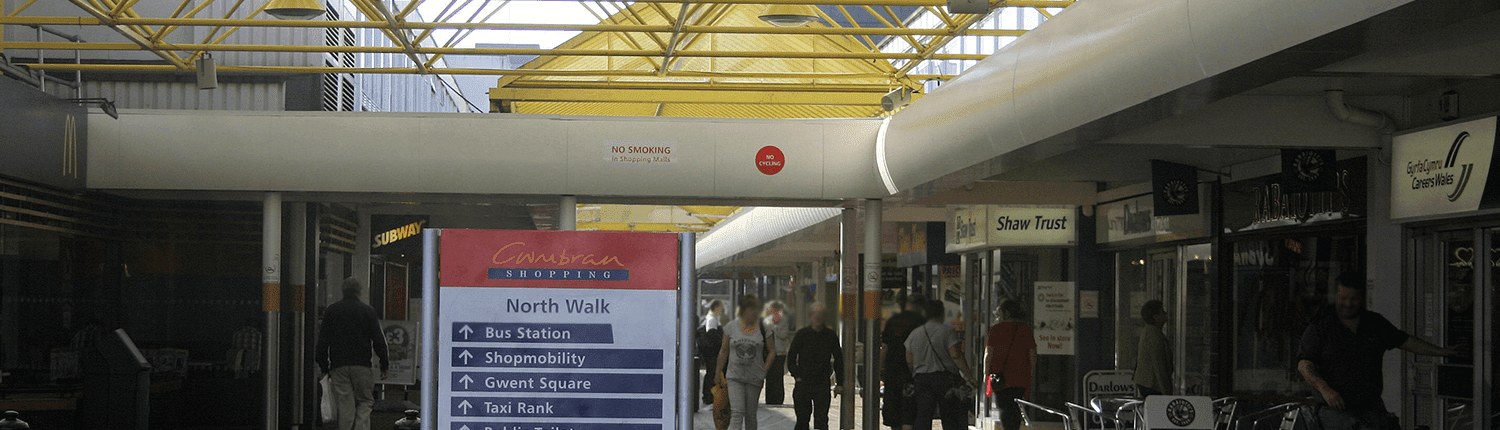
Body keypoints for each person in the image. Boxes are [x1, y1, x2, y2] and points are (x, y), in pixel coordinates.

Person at [1297, 272, 1461, 430]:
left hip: (1371, 410)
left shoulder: (1374, 323)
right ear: (1335, 296)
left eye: (1353, 299)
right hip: (1335, 413)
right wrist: (1325, 390)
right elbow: (1304, 365)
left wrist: (1441, 352)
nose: (1348, 304)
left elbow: (1405, 341)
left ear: (1362, 298)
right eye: (1343, 298)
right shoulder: (1319, 328)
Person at [315, 278, 390, 430]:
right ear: (360, 292)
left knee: (344, 403)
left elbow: (322, 341)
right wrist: (384, 364)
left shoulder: (331, 310)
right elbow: (378, 339)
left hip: (339, 366)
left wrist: (324, 366)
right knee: (365, 401)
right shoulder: (367, 311)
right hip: (362, 365)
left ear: (343, 291)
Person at [905, 300, 976, 430]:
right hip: (945, 380)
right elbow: (955, 355)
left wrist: (915, 373)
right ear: (941, 314)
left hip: (922, 380)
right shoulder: (947, 331)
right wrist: (969, 376)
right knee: (949, 416)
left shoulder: (915, 334)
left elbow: (909, 360)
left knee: (923, 416)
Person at [717, 295, 777, 430]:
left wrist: (764, 369)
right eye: (751, 309)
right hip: (734, 376)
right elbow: (723, 351)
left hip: (755, 376)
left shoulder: (763, 328)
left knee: (750, 414)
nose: (754, 312)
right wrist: (717, 373)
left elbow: (772, 351)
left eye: (756, 309)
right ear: (743, 310)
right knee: (737, 412)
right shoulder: (731, 327)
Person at [786, 303, 843, 430]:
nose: (818, 318)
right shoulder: (802, 334)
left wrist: (839, 383)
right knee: (802, 420)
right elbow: (791, 357)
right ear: (810, 316)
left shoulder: (830, 335)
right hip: (804, 382)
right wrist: (797, 375)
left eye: (821, 315)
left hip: (822, 383)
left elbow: (838, 359)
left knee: (822, 420)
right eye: (815, 315)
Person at [985, 299, 1035, 430]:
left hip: (1000, 376)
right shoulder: (1026, 329)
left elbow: (988, 354)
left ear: (1005, 313)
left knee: (1004, 409)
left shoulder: (996, 329)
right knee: (1016, 409)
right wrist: (1030, 373)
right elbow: (1032, 354)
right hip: (1021, 376)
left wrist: (986, 374)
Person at [881, 293, 927, 430]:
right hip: (911, 373)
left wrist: (880, 368)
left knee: (893, 408)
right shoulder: (922, 323)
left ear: (907, 305)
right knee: (909, 407)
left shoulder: (892, 321)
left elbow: (885, 347)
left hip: (892, 372)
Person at [1133, 300, 1172, 397]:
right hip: (1152, 384)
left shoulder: (1148, 331)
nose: (1165, 314)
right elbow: (1159, 365)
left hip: (1146, 382)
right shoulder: (1155, 336)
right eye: (1162, 312)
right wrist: (1166, 393)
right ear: (1155, 317)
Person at [763, 300, 793, 405]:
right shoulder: (766, 320)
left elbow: (783, 334)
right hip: (769, 352)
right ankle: (769, 399)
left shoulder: (784, 320)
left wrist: (774, 327)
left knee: (778, 376)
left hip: (780, 352)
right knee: (769, 376)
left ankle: (778, 399)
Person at [701, 299, 727, 406]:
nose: (722, 309)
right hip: (712, 353)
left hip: (712, 352)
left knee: (712, 373)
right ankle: (708, 396)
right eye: (720, 307)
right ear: (716, 307)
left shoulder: (714, 318)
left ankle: (709, 395)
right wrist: (721, 343)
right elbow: (711, 334)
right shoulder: (711, 319)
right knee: (712, 373)